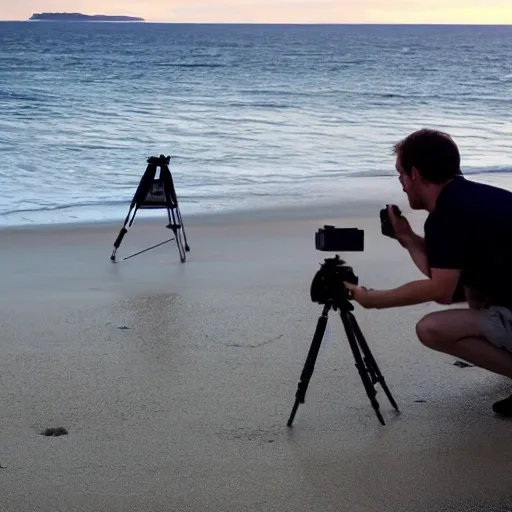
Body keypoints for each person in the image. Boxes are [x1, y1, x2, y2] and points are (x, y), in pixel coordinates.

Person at [343, 128, 512, 417]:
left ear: (416, 174)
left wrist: (372, 299)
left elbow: (440, 291)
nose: (402, 185)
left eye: (401, 175)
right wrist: (407, 238)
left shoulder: (448, 215)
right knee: (475, 294)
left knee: (432, 329)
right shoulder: (473, 200)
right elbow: (445, 278)